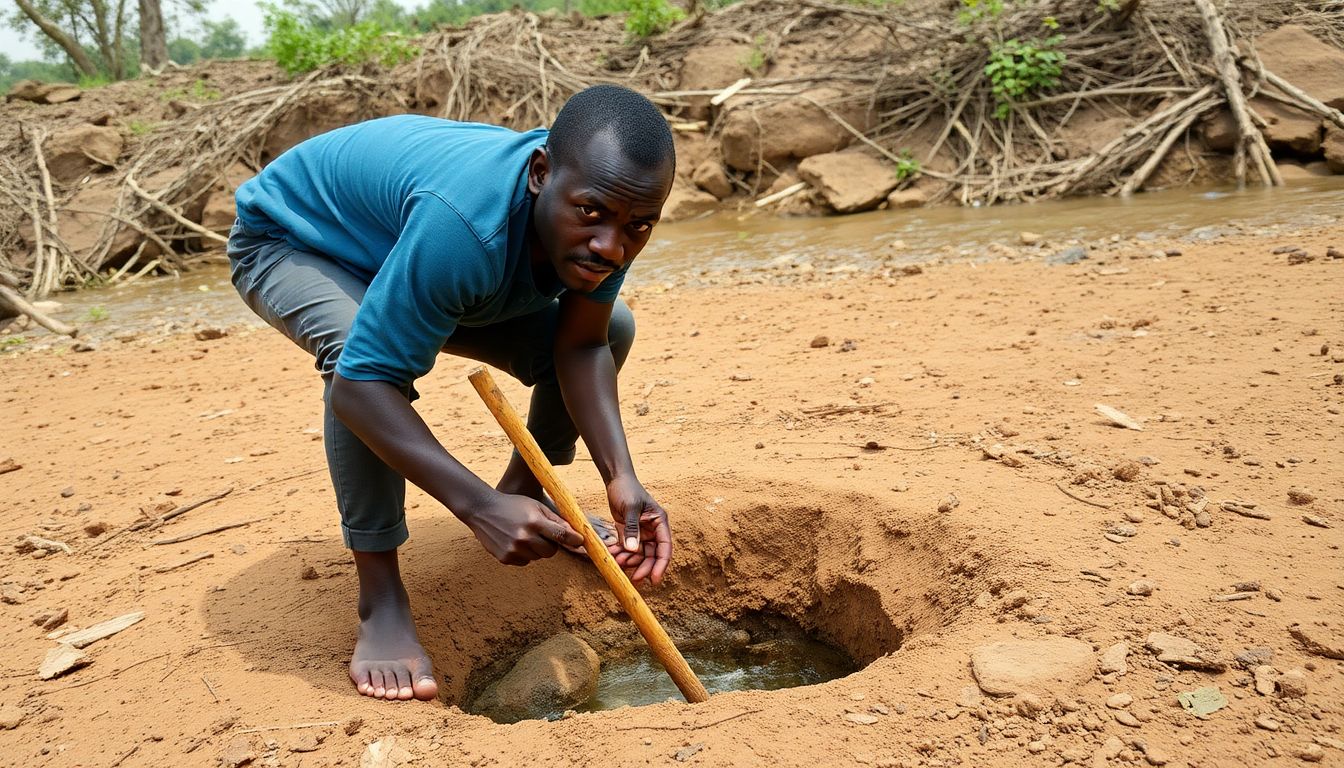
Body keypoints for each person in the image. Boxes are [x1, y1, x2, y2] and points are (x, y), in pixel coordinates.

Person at [227, 84, 676, 702]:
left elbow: (580, 346)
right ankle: (381, 599)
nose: (611, 246)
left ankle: (526, 501)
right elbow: (363, 386)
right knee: (358, 353)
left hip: (406, 250)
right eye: (593, 215)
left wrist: (620, 476)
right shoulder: (467, 224)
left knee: (612, 325)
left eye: (638, 226)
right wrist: (475, 507)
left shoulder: (610, 214)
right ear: (541, 173)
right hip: (295, 241)